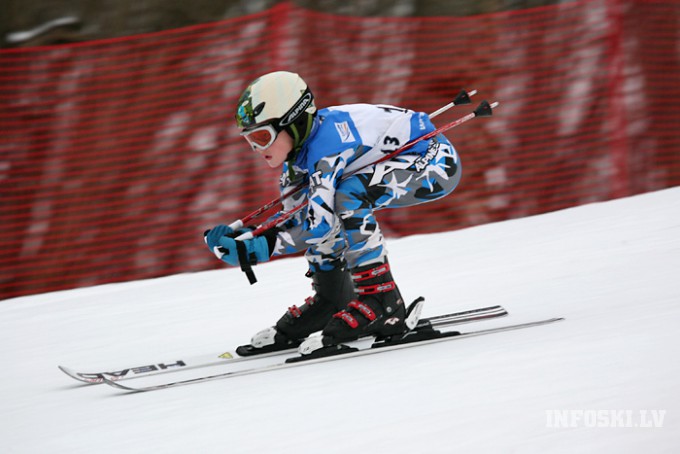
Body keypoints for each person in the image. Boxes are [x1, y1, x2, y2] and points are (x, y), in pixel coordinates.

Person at [205, 71, 462, 355]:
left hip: (434, 161)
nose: (256, 148)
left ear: (293, 123)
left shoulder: (326, 149)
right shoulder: (298, 159)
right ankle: (334, 298)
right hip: (403, 158)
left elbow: (319, 226)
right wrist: (248, 237)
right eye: (249, 139)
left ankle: (382, 300)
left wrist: (258, 248)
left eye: (262, 137)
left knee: (348, 195)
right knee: (325, 200)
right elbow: (296, 219)